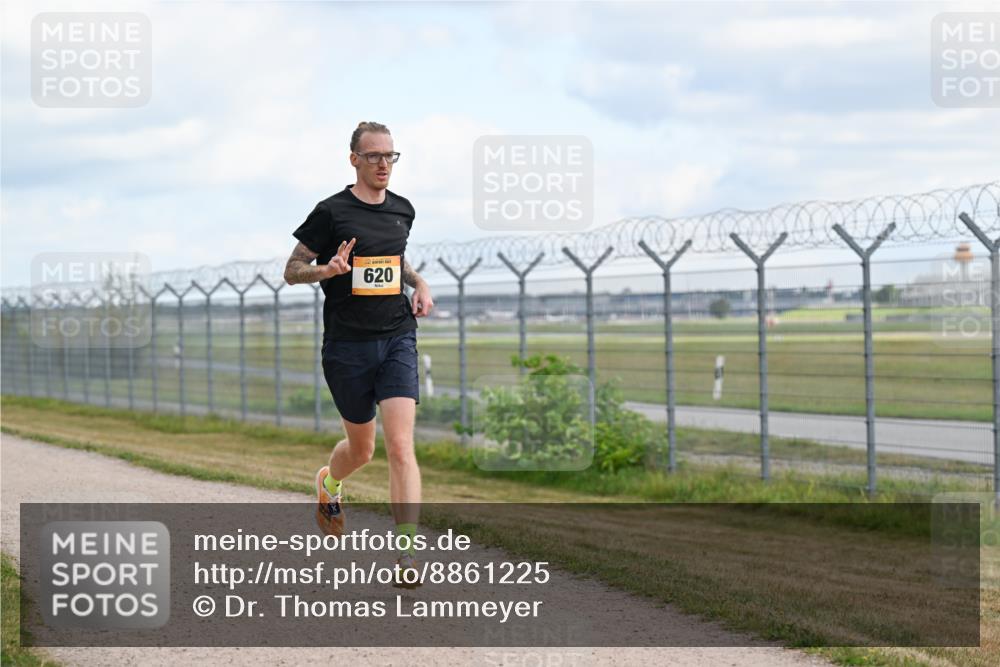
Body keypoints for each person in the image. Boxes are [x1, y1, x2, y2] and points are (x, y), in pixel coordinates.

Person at [283, 121, 433, 587]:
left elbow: (394, 261)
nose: (383, 164)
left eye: (390, 156)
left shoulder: (403, 211)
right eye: (373, 156)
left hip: (397, 337)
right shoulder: (331, 212)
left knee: (401, 446)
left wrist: (420, 283)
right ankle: (330, 482)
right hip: (347, 345)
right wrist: (326, 270)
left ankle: (406, 556)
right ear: (354, 160)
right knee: (363, 450)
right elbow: (291, 270)